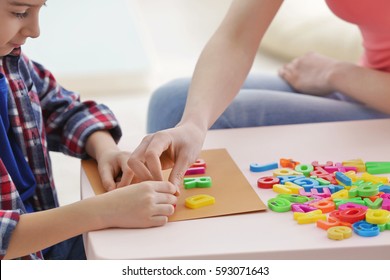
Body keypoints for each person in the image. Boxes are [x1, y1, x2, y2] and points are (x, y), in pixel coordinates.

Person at [126, 0, 390, 187]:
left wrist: (337, 74)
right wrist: (193, 124)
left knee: (225, 117)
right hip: (368, 84)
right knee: (174, 104)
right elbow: (237, 36)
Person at [0, 0, 177, 260]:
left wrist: (106, 150)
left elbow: (63, 108)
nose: (35, 30)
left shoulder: (10, 60)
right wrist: (104, 211)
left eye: (41, 10)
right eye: (20, 13)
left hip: (43, 242)